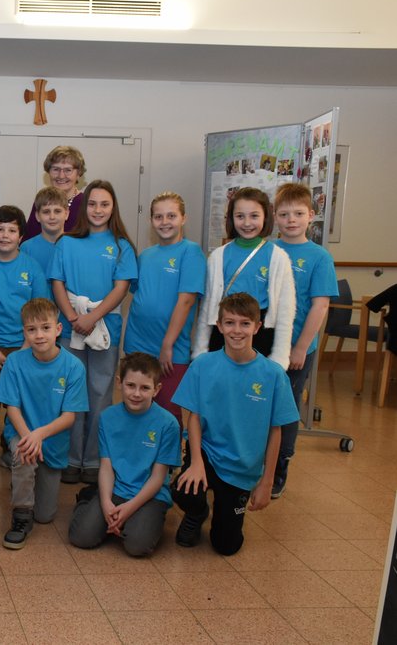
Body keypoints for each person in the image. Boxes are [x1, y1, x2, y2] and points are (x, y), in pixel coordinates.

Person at [172, 293, 298, 556]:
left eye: (244, 323)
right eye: (229, 323)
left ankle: (224, 512)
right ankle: (197, 512)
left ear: (257, 327)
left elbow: (276, 432)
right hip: (207, 453)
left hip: (242, 466)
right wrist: (195, 462)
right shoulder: (204, 364)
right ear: (219, 326)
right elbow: (193, 417)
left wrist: (266, 482)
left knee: (226, 545)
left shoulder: (273, 375)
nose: (236, 330)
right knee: (182, 489)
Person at [49, 180, 137, 485]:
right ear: (83, 208)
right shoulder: (67, 243)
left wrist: (93, 317)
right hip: (70, 326)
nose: (98, 210)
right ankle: (71, 458)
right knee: (71, 393)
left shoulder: (121, 245)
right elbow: (57, 283)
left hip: (104, 328)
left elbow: (122, 288)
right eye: (92, 204)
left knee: (100, 394)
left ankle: (92, 460)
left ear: (113, 208)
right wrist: (74, 317)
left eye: (104, 204)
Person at [0, 298, 88, 549]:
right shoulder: (14, 362)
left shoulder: (73, 367)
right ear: (24, 332)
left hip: (53, 442)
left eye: (45, 328)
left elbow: (69, 417)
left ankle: (25, 478)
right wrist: (29, 437)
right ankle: (21, 517)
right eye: (31, 329)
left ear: (58, 330)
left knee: (45, 516)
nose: (39, 335)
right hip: (22, 433)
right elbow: (11, 408)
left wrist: (39, 436)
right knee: (24, 455)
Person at [68, 353, 180, 557]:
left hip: (149, 495)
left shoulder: (168, 424)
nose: (136, 393)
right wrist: (105, 502)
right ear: (119, 383)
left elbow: (158, 478)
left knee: (137, 547)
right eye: (130, 385)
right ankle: (89, 501)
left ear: (157, 390)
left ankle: (135, 520)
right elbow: (107, 466)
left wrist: (129, 508)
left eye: (145, 388)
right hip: (115, 490)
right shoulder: (108, 417)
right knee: (80, 537)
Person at [0, 206, 50, 477]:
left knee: (23, 402)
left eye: (11, 230)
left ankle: (11, 446)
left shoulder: (31, 267)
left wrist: (25, 349)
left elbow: (40, 312)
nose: (4, 235)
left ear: (21, 236)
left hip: (25, 346)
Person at [271, 183, 338, 497]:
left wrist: (299, 347)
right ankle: (258, 464)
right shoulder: (268, 251)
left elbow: (320, 305)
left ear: (311, 215)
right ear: (275, 217)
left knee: (286, 409)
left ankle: (280, 465)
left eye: (298, 213)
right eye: (284, 214)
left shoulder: (319, 256)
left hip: (297, 348)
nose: (291, 219)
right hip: (266, 346)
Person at [123, 192, 206, 426]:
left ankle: (166, 463)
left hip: (170, 350)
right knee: (135, 407)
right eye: (158, 217)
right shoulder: (146, 255)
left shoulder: (190, 252)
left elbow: (186, 301)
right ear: (151, 221)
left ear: (183, 218)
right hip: (137, 344)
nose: (165, 222)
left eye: (171, 215)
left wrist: (167, 344)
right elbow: (139, 296)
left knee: (167, 411)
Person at [192, 187, 296, 370]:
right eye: (240, 216)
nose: (247, 223)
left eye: (254, 216)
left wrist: (280, 355)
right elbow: (207, 306)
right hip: (224, 329)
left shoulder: (278, 257)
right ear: (231, 218)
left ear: (266, 216)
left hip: (261, 332)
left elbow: (286, 311)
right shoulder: (218, 256)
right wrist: (201, 349)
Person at [24, 146, 87, 240]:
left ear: (78, 174)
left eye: (68, 170)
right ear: (48, 172)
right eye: (56, 169)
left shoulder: (86, 204)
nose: (61, 176)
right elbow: (29, 239)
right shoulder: (43, 201)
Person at [21, 187, 69, 274]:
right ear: (37, 216)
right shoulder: (26, 248)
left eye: (57, 211)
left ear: (66, 214)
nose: (52, 217)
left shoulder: (75, 246)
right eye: (46, 212)